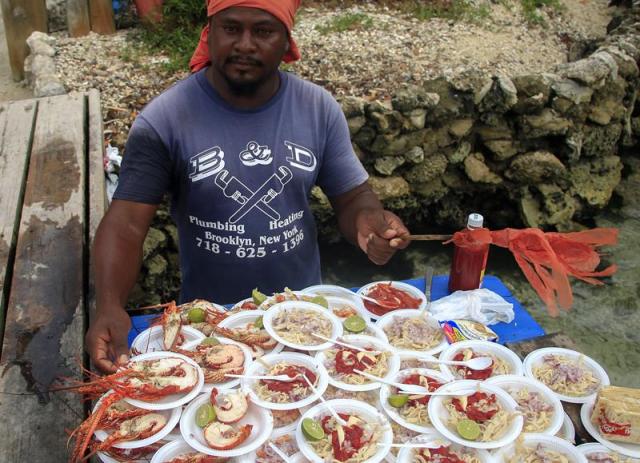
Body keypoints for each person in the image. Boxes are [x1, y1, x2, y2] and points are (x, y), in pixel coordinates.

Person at [87, 0, 411, 373]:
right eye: (231, 28)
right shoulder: (165, 119)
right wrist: (109, 305)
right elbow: (126, 222)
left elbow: (353, 196)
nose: (244, 44)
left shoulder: (317, 109)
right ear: (210, 32)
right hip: (210, 324)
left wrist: (369, 223)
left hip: (304, 317)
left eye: (262, 31)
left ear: (285, 38)